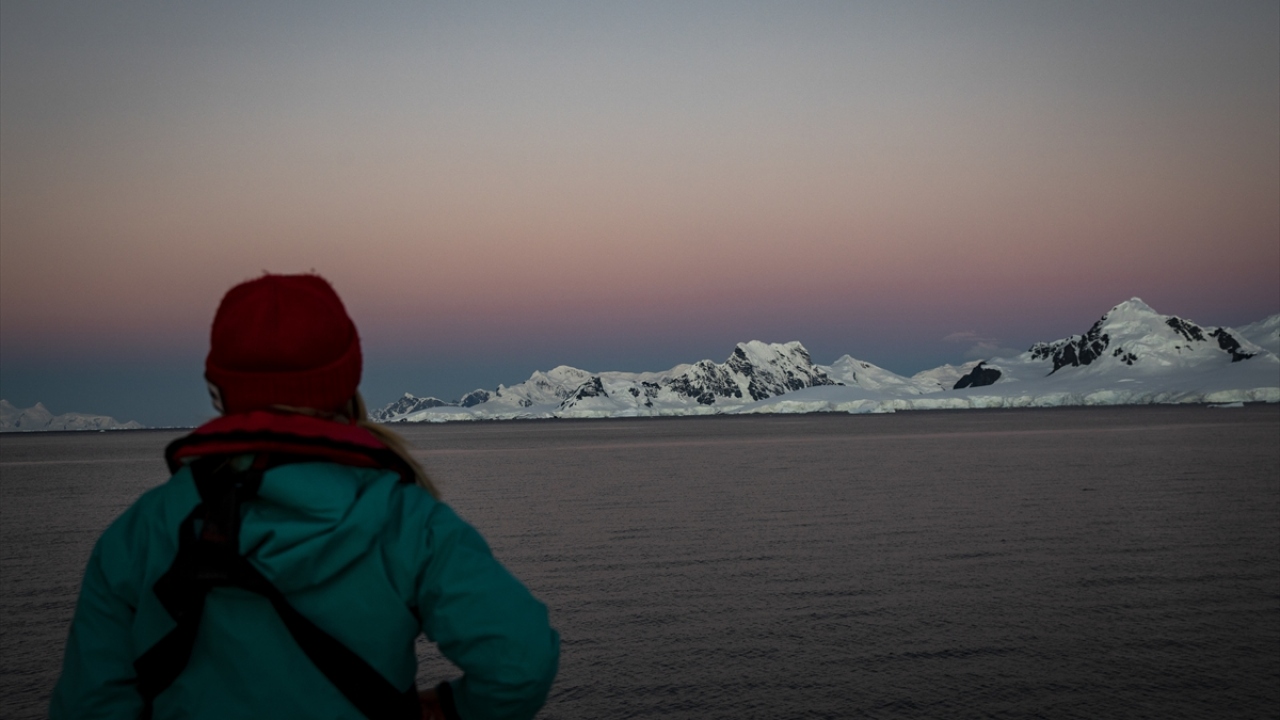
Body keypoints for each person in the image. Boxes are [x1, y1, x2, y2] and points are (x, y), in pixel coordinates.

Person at [50, 274, 559, 719]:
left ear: (218, 390)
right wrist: (449, 709)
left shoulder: (142, 531)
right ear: (348, 379)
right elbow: (521, 664)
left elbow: (89, 705)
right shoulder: (407, 521)